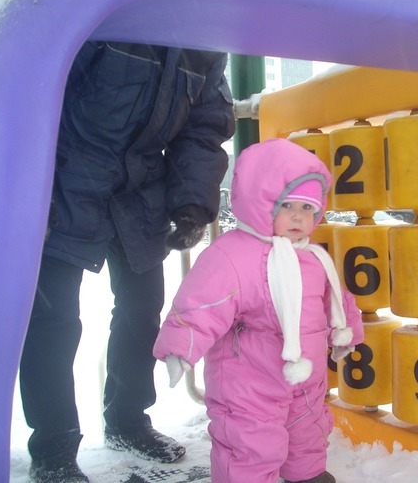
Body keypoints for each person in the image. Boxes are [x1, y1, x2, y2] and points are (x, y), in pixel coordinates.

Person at [19, 41, 235, 483]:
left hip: (140, 189)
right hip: (67, 179)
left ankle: (127, 419)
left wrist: (192, 204)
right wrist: (30, 182)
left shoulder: (201, 46)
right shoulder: (109, 19)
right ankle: (54, 447)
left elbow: (203, 128)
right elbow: (36, 88)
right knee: (53, 317)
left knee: (142, 308)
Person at [153, 138, 365, 483]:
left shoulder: (313, 256)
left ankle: (306, 473)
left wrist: (347, 330)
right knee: (250, 443)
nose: (298, 216)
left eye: (308, 207)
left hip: (305, 375)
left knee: (307, 428)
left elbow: (335, 298)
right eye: (287, 205)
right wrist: (181, 346)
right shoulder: (233, 255)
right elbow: (201, 302)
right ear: (260, 200)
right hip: (248, 380)